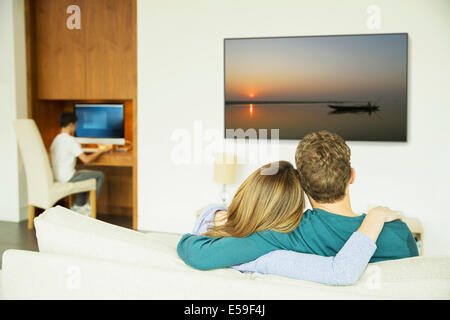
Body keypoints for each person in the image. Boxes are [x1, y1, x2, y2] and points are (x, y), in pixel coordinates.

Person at [177, 131, 419, 272]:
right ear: (352, 176)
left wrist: (188, 237)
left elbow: (202, 255)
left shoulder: (283, 231)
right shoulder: (397, 232)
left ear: (301, 184)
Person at [50, 112, 112, 215]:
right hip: (68, 176)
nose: (75, 128)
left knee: (85, 174)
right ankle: (88, 207)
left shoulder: (56, 140)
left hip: (57, 176)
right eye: (76, 125)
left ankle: (77, 206)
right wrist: (102, 150)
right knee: (100, 175)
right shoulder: (71, 140)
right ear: (71, 125)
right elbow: (86, 160)